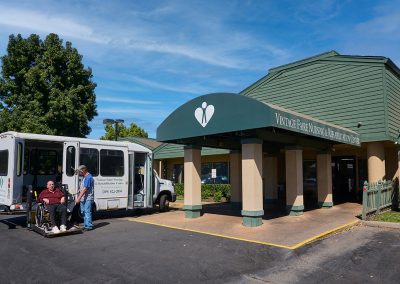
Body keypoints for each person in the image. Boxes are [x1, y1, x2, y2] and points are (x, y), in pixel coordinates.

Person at [75, 165, 94, 231]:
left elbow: (85, 189)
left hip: (87, 198)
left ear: (83, 171)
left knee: (87, 212)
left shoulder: (88, 177)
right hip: (83, 198)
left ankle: (89, 226)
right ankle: (86, 224)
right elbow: (83, 188)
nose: (79, 173)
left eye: (80, 172)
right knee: (83, 212)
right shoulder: (85, 177)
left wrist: (78, 198)